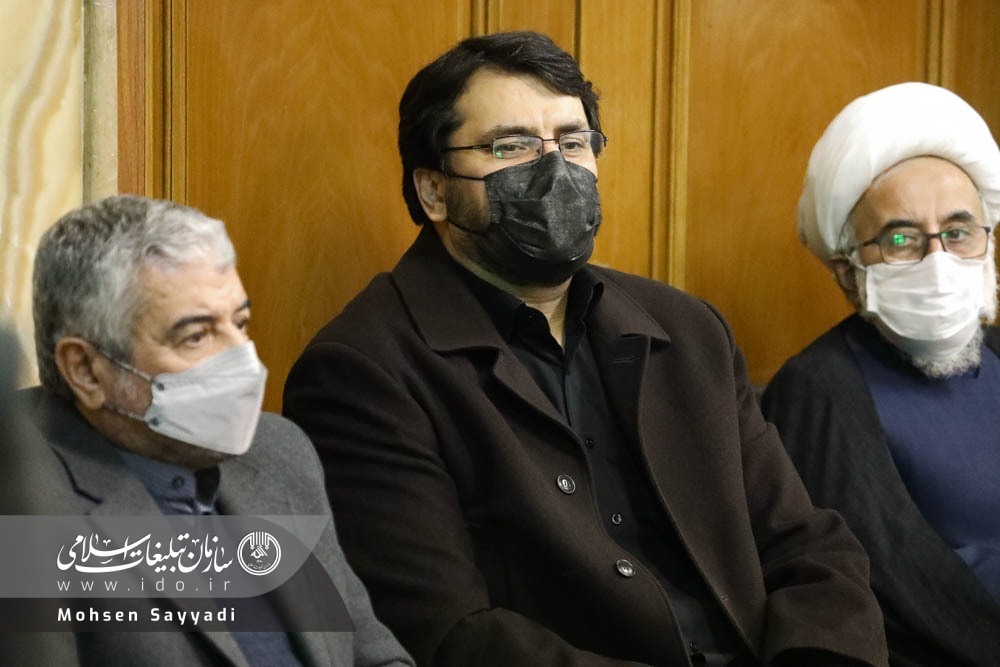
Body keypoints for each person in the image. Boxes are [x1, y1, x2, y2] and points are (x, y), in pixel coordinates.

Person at [283, 31, 887, 667]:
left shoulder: (687, 329)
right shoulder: (363, 370)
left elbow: (807, 548)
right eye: (511, 146)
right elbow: (451, 634)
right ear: (434, 189)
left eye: (573, 143)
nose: (555, 172)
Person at [20, 194, 413, 667]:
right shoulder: (24, 504)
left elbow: (374, 656)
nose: (244, 361)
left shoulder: (277, 451)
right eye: (197, 335)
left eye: (240, 323)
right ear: (86, 370)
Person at [761, 82, 1000, 666]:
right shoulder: (818, 391)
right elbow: (861, 595)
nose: (938, 260)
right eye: (901, 239)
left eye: (959, 232)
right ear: (849, 272)